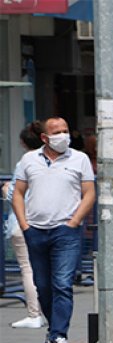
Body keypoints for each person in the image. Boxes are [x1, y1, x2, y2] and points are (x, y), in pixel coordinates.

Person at [13, 117, 96, 343]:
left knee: (62, 283)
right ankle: (52, 331)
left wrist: (74, 222)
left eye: (65, 130)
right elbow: (18, 193)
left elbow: (89, 193)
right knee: (43, 285)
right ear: (44, 138)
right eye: (57, 132)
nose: (63, 135)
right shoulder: (29, 160)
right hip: (35, 230)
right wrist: (25, 224)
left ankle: (60, 335)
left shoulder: (79, 159)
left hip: (65, 231)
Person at [6, 122, 46, 329]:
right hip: (47, 222)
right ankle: (48, 311)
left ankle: (34, 313)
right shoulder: (52, 160)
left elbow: (15, 194)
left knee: (28, 269)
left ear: (23, 143)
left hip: (23, 222)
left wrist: (5, 189)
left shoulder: (26, 162)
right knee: (47, 269)